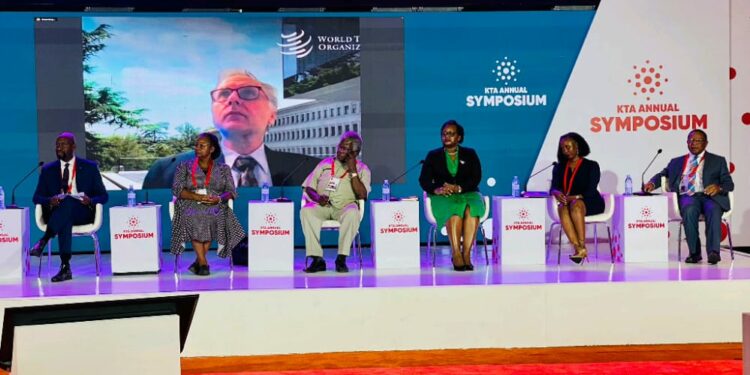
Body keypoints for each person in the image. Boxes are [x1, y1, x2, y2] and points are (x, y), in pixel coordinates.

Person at [143, 69, 319, 189]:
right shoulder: (166, 173)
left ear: (272, 115)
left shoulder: (312, 171)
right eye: (224, 94)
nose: (232, 99)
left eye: (249, 93)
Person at [644, 129, 734, 265]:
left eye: (698, 141)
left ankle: (713, 252)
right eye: (691, 140)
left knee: (713, 210)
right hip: (688, 195)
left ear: (706, 143)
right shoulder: (676, 161)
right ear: (687, 142)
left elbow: (729, 184)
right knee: (689, 209)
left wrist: (718, 188)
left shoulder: (718, 161)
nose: (694, 143)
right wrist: (651, 183)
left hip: (710, 197)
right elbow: (663, 175)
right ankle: (694, 253)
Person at [30, 132, 109, 282]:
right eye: (57, 145)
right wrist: (50, 200)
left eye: (63, 144)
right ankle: (65, 267)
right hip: (57, 213)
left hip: (82, 211)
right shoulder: (48, 170)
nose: (59, 147)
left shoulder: (90, 167)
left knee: (68, 203)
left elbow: (103, 196)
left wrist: (90, 200)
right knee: (65, 210)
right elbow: (37, 198)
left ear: (73, 147)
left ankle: (44, 240)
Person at [170, 132, 246, 275]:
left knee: (214, 215)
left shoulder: (223, 169)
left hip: (214, 204)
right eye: (196, 146)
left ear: (212, 149)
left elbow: (231, 191)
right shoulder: (184, 167)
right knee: (196, 216)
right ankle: (204, 263)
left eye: (202, 146)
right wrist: (196, 196)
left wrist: (218, 199)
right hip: (189, 203)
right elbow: (177, 189)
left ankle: (199, 261)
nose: (197, 148)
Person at [419, 120, 484, 271]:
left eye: (451, 133)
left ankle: (466, 254)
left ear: (459, 137)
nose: (446, 137)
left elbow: (476, 177)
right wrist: (437, 190)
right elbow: (424, 180)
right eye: (444, 134)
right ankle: (456, 254)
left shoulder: (470, 153)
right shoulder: (433, 155)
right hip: (444, 196)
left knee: (471, 208)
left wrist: (459, 188)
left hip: (468, 192)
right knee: (454, 210)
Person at [301, 131, 371, 273]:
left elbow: (362, 194)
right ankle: (317, 259)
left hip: (345, 207)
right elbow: (309, 187)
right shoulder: (325, 163)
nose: (340, 150)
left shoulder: (363, 169)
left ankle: (341, 258)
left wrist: (352, 170)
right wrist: (317, 198)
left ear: (355, 153)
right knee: (306, 211)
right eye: (340, 146)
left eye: (346, 149)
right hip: (322, 206)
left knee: (352, 213)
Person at [549, 132, 605, 264]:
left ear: (577, 147)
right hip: (568, 202)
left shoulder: (591, 165)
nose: (565, 150)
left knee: (576, 204)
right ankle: (579, 248)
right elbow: (554, 187)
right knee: (562, 207)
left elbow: (591, 189)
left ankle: (581, 245)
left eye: (568, 147)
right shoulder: (559, 167)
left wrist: (574, 197)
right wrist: (557, 193)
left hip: (590, 201)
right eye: (562, 148)